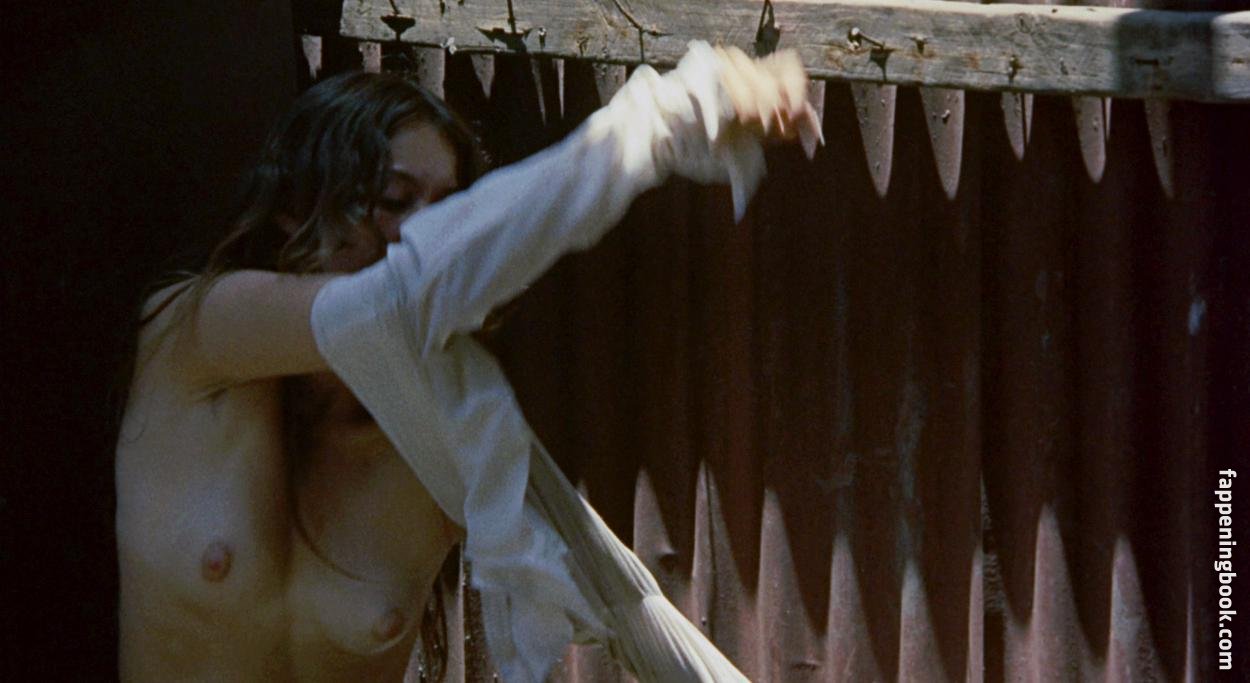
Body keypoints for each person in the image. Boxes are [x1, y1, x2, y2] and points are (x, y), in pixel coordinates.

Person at [115, 42, 818, 682]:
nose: (426, 230)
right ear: (295, 207)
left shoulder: (454, 423)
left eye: (451, 208)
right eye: (394, 200)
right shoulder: (196, 336)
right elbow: (393, 302)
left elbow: (624, 601)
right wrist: (664, 117)